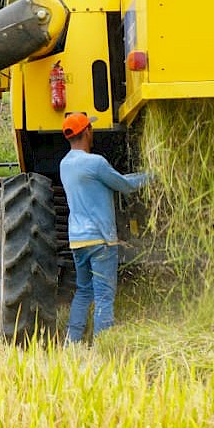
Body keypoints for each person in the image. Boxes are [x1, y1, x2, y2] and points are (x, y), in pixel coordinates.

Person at [59, 111, 149, 344]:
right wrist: (154, 176)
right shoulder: (95, 163)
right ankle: (102, 346)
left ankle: (72, 343)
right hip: (100, 241)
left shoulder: (65, 164)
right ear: (87, 131)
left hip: (77, 241)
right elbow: (126, 185)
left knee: (83, 291)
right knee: (104, 296)